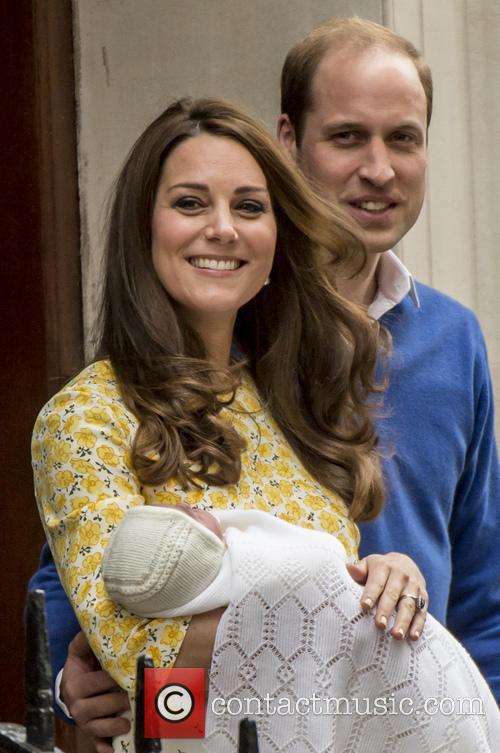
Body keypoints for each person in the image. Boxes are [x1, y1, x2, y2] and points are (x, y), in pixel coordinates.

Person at [31, 97, 429, 752]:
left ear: (277, 243)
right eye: (190, 203)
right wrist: (328, 605)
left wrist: (388, 585)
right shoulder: (86, 417)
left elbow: (346, 667)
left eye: (249, 206)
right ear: (144, 229)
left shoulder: (293, 408)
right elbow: (145, 674)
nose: (222, 228)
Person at [276, 16, 500, 701]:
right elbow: (86, 573)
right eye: (348, 137)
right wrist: (77, 677)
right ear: (289, 142)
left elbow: (483, 595)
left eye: (403, 138)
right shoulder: (225, 324)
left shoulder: (454, 338)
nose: (379, 169)